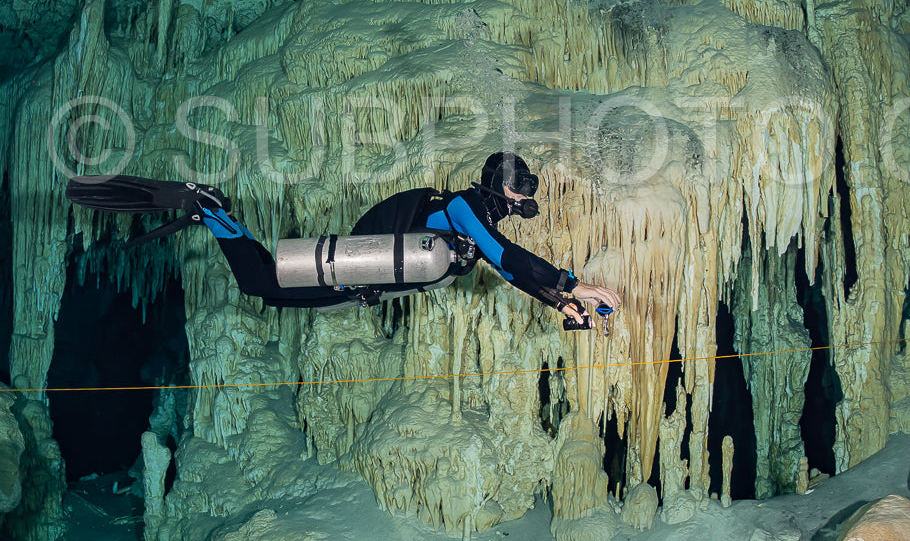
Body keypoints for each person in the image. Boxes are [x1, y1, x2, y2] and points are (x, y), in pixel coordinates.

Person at [66, 152, 621, 329]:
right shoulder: (464, 206)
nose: (529, 199)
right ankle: (212, 210)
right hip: (358, 268)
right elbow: (506, 258)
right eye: (523, 189)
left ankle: (216, 216)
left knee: (265, 287)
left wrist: (562, 301)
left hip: (363, 281)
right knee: (262, 282)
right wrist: (572, 284)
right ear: (500, 185)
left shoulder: (471, 220)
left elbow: (502, 261)